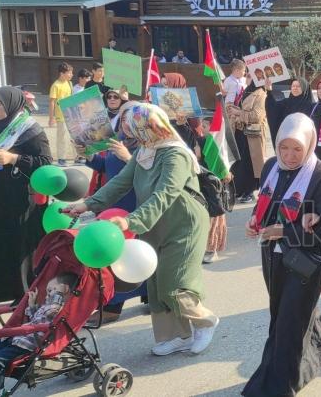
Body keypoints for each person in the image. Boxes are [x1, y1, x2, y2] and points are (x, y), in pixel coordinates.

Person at [68, 103, 219, 356]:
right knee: (157, 284)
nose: (131, 136)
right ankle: (176, 336)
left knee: (176, 283)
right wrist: (87, 204)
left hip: (184, 223)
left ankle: (205, 321)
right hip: (155, 223)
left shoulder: (175, 154)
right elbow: (119, 183)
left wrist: (131, 221)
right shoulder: (144, 152)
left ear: (151, 127)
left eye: (135, 130)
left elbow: (165, 193)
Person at [242, 113, 321, 397]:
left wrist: (285, 233)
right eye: (284, 147)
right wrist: (254, 220)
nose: (290, 155)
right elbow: (265, 203)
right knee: (282, 313)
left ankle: (277, 387)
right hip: (273, 257)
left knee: (288, 324)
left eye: (297, 148)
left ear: (309, 145)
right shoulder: (272, 165)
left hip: (306, 262)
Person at [0, 87, 52, 305]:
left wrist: (12, 159)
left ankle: (24, 294)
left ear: (12, 104)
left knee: (20, 246)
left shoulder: (29, 130)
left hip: (21, 198)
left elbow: (45, 163)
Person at [83, 98, 143, 322]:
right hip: (113, 202)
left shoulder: (146, 143)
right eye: (123, 116)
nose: (126, 121)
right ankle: (112, 303)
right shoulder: (117, 138)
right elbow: (103, 165)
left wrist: (128, 157)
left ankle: (117, 305)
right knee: (115, 254)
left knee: (134, 253)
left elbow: (150, 174)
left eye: (132, 116)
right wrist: (89, 156)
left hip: (135, 205)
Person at [0, 273, 78, 397]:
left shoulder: (60, 306)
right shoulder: (48, 304)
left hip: (27, 342)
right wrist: (32, 305)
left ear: (64, 289)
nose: (48, 293)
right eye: (48, 291)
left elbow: (52, 313)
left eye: (52, 289)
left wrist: (58, 294)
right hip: (17, 336)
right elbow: (36, 318)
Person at [229, 87, 269, 204]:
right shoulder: (244, 91)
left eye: (250, 75)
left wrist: (238, 113)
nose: (247, 77)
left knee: (251, 164)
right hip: (240, 132)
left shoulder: (261, 94)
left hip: (252, 135)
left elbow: (257, 116)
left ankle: (249, 192)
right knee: (239, 163)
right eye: (247, 74)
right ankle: (239, 190)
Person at [266, 77, 313, 148]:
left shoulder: (311, 105)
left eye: (298, 86)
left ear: (304, 88)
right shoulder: (286, 102)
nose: (295, 88)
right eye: (293, 86)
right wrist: (269, 91)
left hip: (303, 141)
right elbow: (273, 108)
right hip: (286, 139)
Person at [48, 62, 75, 167]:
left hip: (71, 115)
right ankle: (61, 159)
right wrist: (51, 117)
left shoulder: (69, 83)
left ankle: (78, 157)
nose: (71, 75)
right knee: (62, 138)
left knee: (74, 137)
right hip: (61, 116)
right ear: (62, 73)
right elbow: (51, 102)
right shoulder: (56, 85)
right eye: (69, 73)